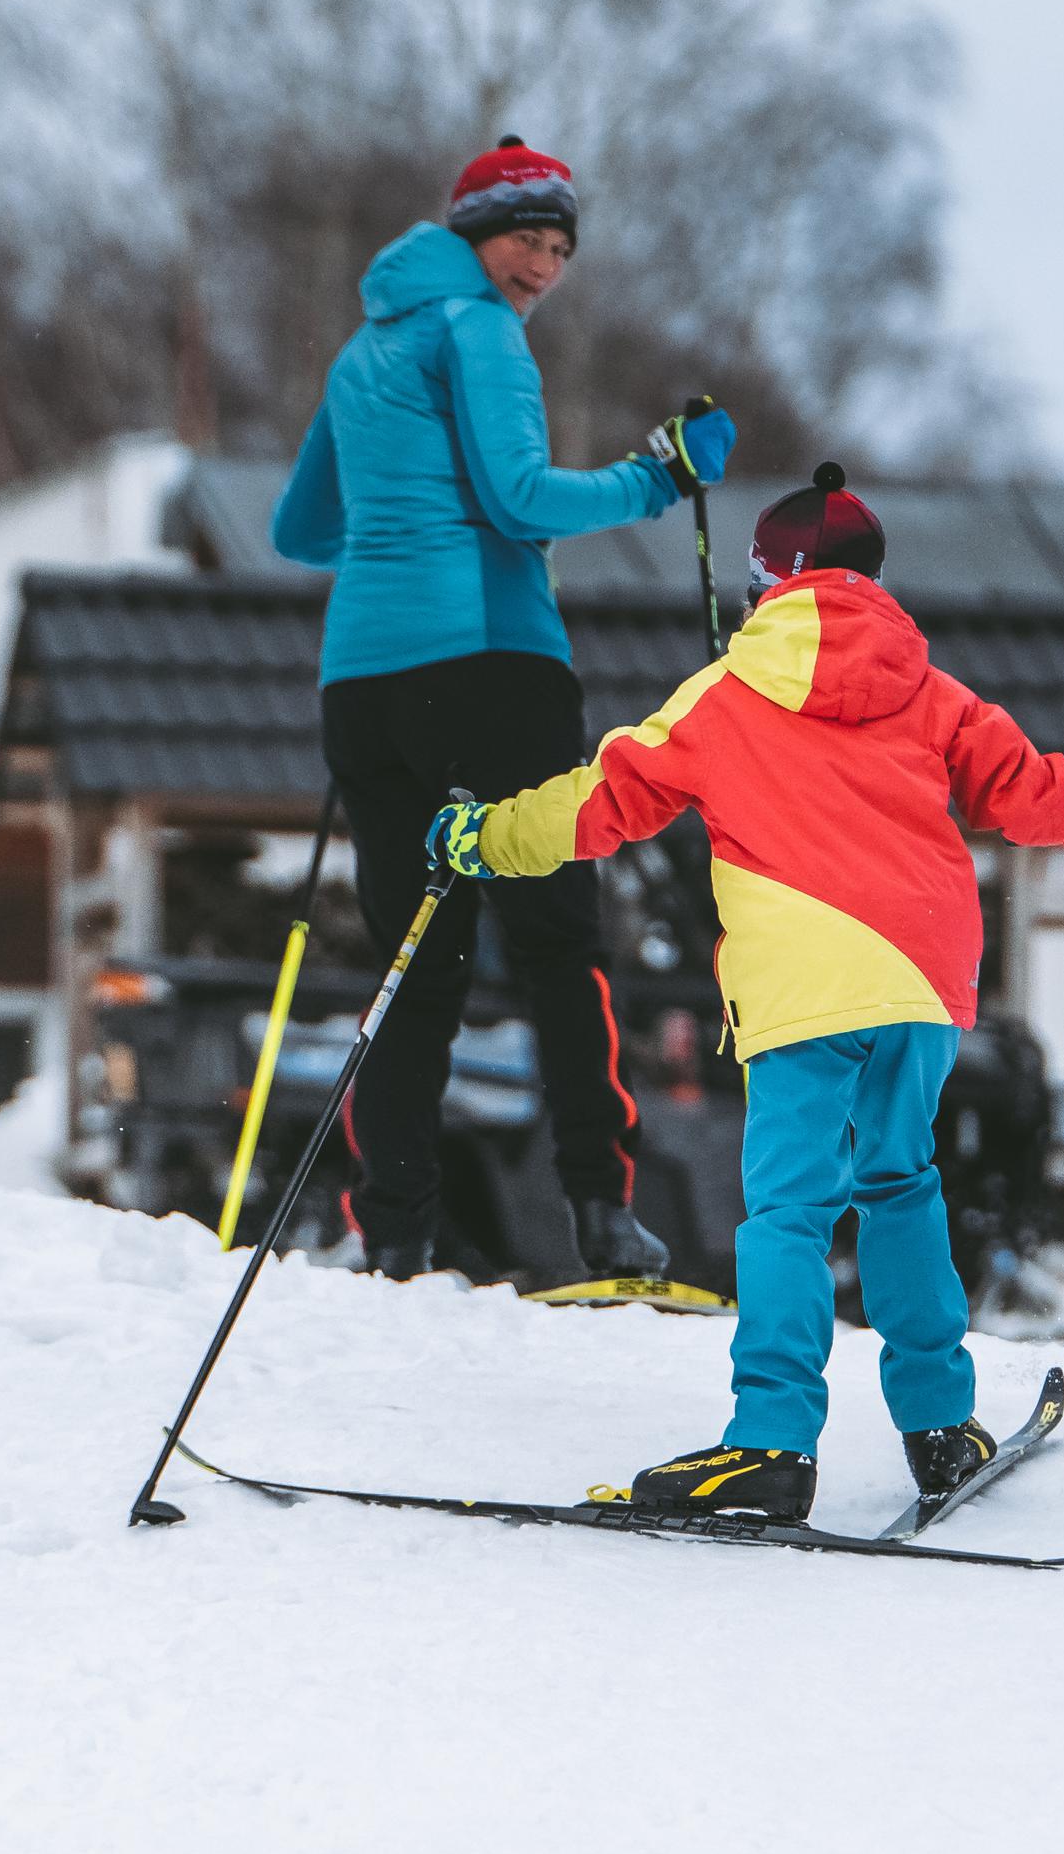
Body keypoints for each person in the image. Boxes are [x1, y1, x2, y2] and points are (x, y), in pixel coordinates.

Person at [429, 463, 1064, 1520]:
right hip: (922, 980)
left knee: (787, 1213)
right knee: (903, 1188)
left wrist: (480, 840)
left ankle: (773, 1441)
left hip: (804, 985)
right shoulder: (932, 690)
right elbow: (1036, 797)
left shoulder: (726, 696)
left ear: (765, 582)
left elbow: (598, 805)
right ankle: (938, 1426)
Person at [269, 135, 736, 1288]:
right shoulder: (478, 329)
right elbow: (520, 501)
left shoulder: (361, 353)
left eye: (563, 246)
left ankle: (397, 1230)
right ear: (478, 236)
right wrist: (661, 474)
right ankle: (600, 1211)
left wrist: (399, 533)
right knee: (558, 944)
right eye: (530, 237)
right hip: (491, 669)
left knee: (413, 962)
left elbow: (301, 530)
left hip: (363, 685)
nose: (545, 264)